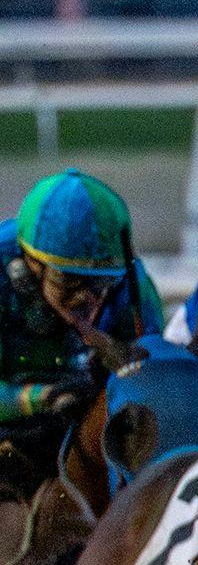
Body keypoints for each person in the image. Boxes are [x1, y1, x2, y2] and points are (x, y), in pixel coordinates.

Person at [0, 169, 162, 496]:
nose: (88, 298)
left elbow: (154, 373)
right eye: (70, 282)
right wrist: (41, 398)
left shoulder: (131, 283)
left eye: (101, 284)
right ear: (31, 266)